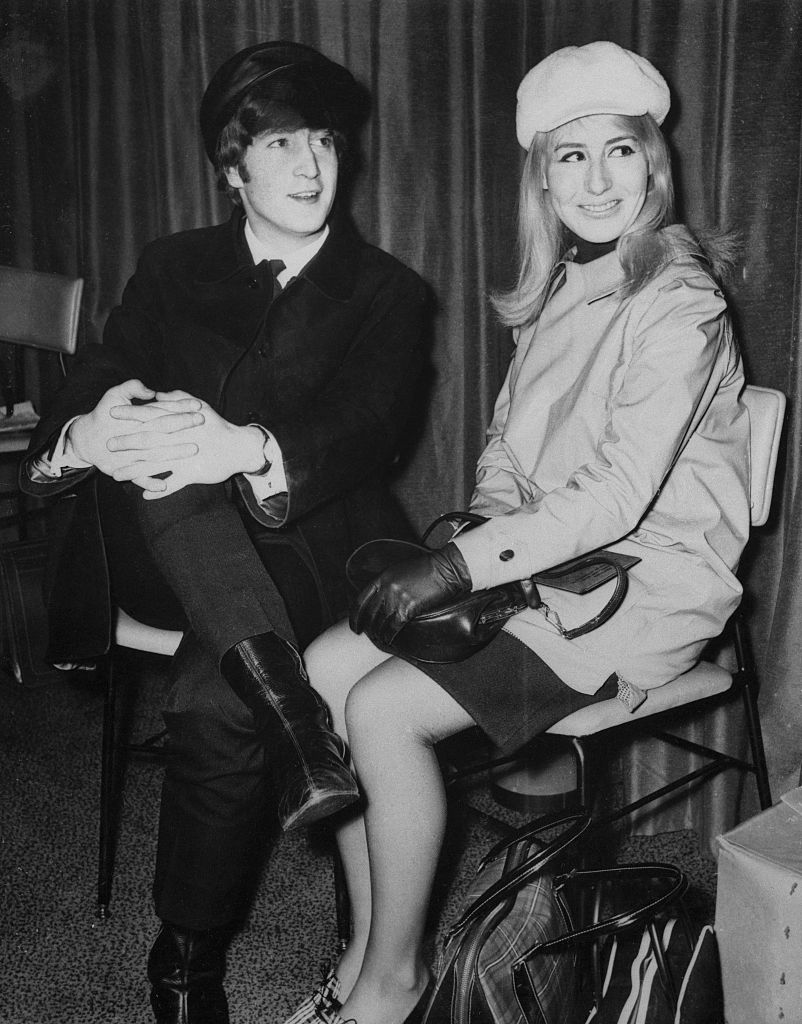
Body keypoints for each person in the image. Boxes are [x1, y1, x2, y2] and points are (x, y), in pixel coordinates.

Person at [284, 40, 751, 1024]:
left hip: (643, 587)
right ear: (541, 178)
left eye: (617, 151)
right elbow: (504, 457)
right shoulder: (558, 295)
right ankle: (368, 948)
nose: (595, 178)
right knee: (324, 669)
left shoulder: (680, 301)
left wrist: (460, 564)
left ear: (650, 163)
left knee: (383, 711)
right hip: (547, 572)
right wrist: (475, 556)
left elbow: (618, 494)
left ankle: (388, 989)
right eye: (568, 157)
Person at [20, 41, 426, 1024]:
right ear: (233, 167)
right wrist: (94, 425)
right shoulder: (172, 266)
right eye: (282, 143)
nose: (311, 165)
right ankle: (297, 725)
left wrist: (239, 444)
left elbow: (368, 430)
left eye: (323, 140)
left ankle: (184, 968)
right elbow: (86, 382)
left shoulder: (387, 291)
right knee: (159, 446)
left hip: (311, 557)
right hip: (169, 553)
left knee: (210, 697)